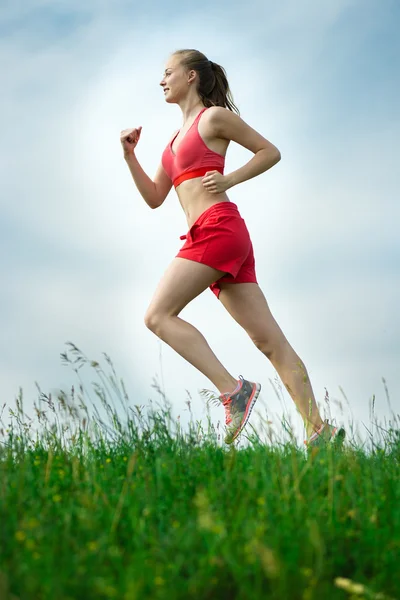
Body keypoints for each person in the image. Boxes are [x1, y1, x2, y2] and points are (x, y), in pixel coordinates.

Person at [120, 48, 344, 447]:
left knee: (157, 316)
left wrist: (231, 179)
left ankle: (233, 391)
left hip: (217, 228)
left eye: (168, 72)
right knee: (269, 341)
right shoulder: (172, 141)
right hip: (214, 236)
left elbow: (269, 151)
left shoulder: (214, 118)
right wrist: (129, 156)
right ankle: (319, 431)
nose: (161, 80)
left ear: (191, 76)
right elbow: (155, 197)